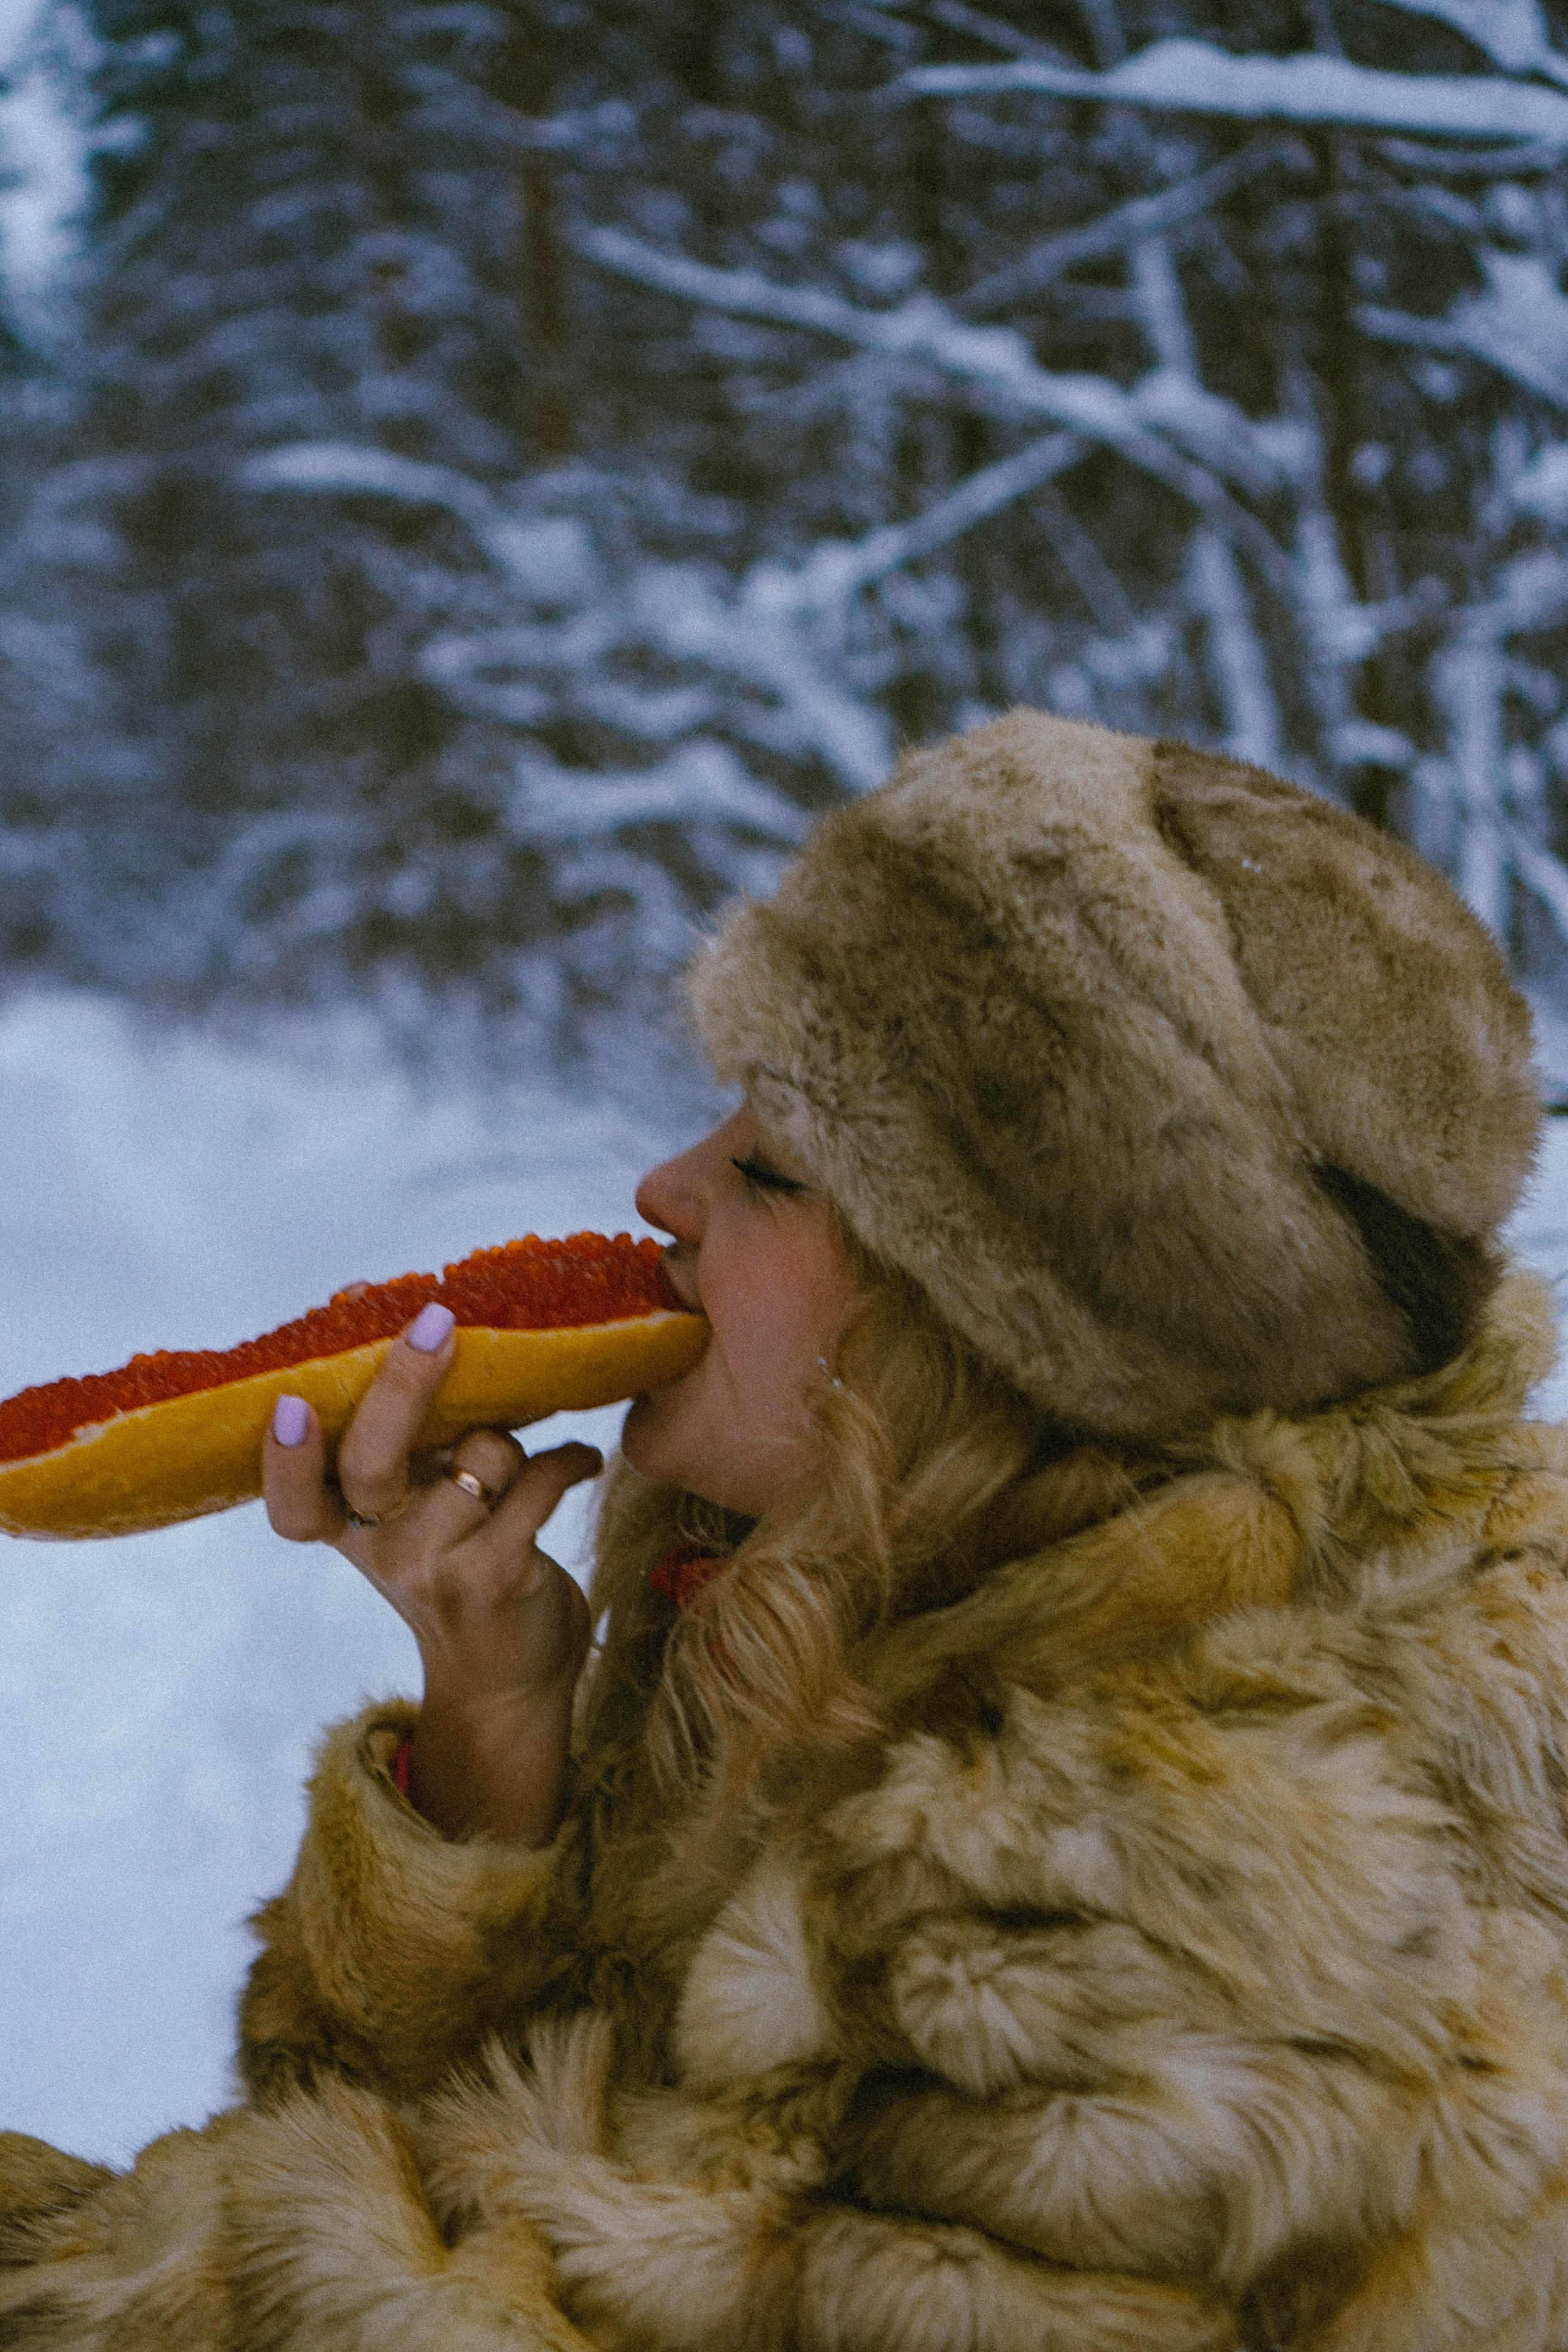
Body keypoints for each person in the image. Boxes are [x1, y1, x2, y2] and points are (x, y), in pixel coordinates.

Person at [5, 707, 1568, 2352]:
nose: (662, 1194)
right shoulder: (875, 1606)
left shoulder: (1196, 1866)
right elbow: (520, 2191)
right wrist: (492, 1746)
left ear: (999, 1332)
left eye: (770, 1172)